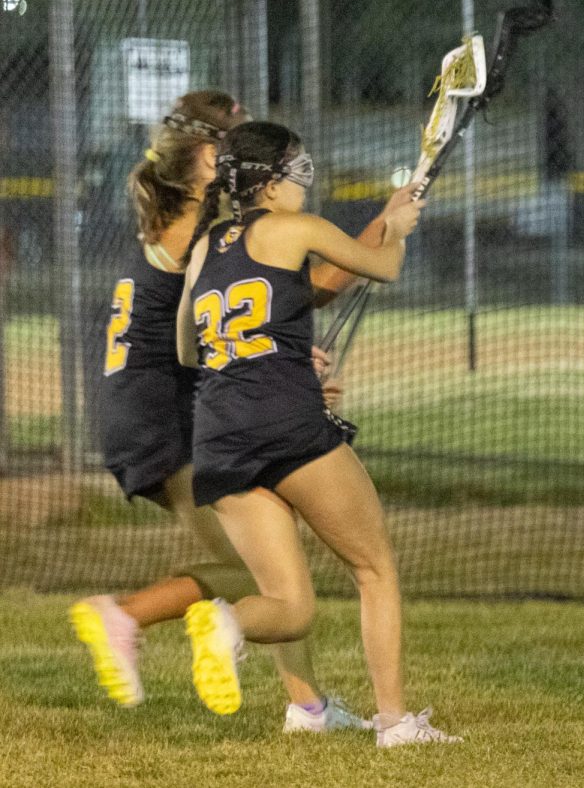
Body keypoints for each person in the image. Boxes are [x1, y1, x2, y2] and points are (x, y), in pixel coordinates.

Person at [72, 92, 382, 733]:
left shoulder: (190, 218)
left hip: (151, 405)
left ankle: (309, 706)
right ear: (212, 157)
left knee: (268, 563)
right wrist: (381, 235)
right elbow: (291, 293)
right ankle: (124, 615)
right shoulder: (199, 234)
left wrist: (279, 365)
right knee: (258, 574)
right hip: (163, 411)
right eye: (237, 145)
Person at [175, 121, 459, 747]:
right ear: (272, 183)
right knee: (374, 568)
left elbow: (190, 350)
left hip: (219, 437)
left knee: (290, 606)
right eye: (296, 169)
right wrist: (400, 231)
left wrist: (274, 350)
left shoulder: (205, 247)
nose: (306, 179)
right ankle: (393, 723)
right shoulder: (296, 229)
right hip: (286, 425)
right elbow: (380, 266)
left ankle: (223, 625)